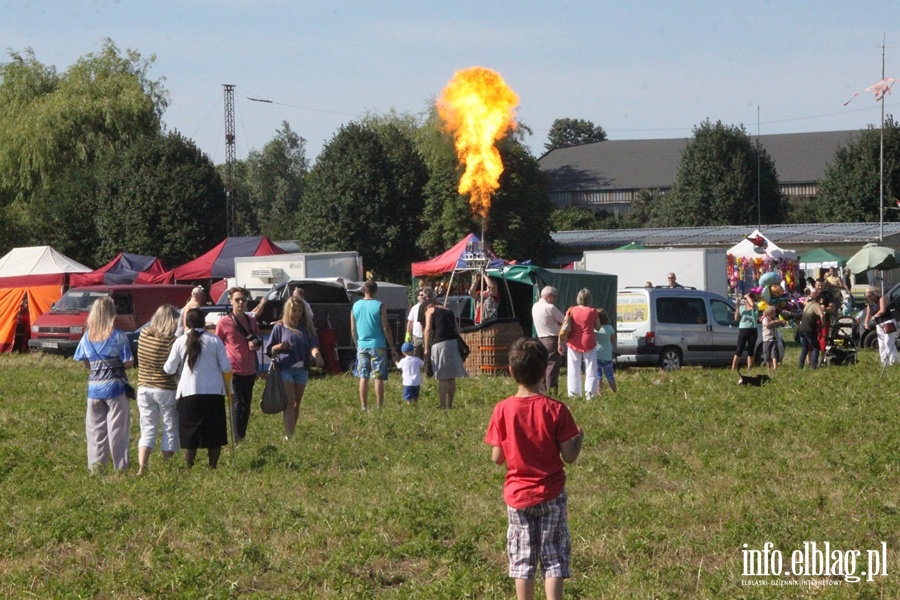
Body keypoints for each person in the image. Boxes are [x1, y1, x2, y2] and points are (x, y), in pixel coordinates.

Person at [484, 337, 585, 600]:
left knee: (522, 559)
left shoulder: (502, 409)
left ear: (511, 371)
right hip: (551, 494)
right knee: (553, 558)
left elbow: (497, 458)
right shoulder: (557, 410)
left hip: (518, 497)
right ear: (544, 372)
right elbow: (570, 456)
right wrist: (579, 439)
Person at [164, 308, 232, 469]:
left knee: (189, 431)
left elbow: (169, 368)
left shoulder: (180, 341)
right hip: (213, 392)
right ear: (204, 322)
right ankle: (212, 466)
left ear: (187, 322)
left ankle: (189, 466)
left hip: (188, 392)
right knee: (214, 432)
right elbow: (226, 367)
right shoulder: (214, 341)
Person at [73, 297, 134, 473]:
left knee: (95, 432)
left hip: (94, 390)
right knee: (117, 431)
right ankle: (120, 468)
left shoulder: (87, 337)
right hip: (115, 389)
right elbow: (128, 361)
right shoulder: (117, 335)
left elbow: (85, 363)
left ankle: (96, 469)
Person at [265, 297, 324, 440]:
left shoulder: (307, 328)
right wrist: (280, 346)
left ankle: (291, 432)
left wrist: (317, 355)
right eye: (294, 311)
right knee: (290, 401)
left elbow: (313, 346)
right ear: (288, 311)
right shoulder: (280, 327)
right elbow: (270, 349)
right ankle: (289, 436)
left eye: (299, 311)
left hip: (302, 369)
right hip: (285, 367)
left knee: (297, 402)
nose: (297, 314)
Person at [136, 304, 180, 475]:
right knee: (169, 426)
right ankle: (168, 465)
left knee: (147, 428)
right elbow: (173, 366)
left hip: (144, 386)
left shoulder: (143, 334)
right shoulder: (171, 340)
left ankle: (142, 466)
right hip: (165, 387)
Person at [216, 287, 262, 442]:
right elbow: (217, 344)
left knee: (246, 405)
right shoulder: (224, 322)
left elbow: (257, 338)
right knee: (236, 403)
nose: (240, 303)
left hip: (249, 368)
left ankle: (242, 435)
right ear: (231, 301)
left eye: (243, 300)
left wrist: (255, 344)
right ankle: (237, 438)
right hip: (232, 369)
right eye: (237, 300)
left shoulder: (251, 321)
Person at [350, 280, 399, 411]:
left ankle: (363, 406)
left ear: (364, 290)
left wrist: (357, 344)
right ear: (375, 291)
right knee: (378, 377)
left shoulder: (355, 306)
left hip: (362, 345)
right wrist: (392, 347)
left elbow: (353, 330)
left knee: (363, 376)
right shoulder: (379, 305)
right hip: (378, 345)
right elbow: (385, 327)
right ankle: (379, 406)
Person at [423, 299, 468, 408]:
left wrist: (426, 348)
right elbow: (457, 329)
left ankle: (442, 404)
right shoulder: (449, 311)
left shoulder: (430, 310)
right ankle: (450, 404)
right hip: (453, 343)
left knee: (442, 377)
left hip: (439, 344)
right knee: (451, 377)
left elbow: (428, 329)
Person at [558, 288, 601, 399]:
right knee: (591, 368)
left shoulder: (571, 310)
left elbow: (564, 326)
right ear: (589, 299)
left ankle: (573, 395)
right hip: (589, 341)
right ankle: (590, 395)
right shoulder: (592, 311)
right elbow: (598, 327)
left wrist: (560, 342)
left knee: (573, 369)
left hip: (573, 341)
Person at [531, 286, 565, 395]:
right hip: (552, 339)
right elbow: (565, 321)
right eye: (554, 297)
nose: (555, 299)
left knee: (543, 367)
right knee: (552, 367)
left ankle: (542, 391)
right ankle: (552, 393)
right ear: (549, 296)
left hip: (540, 339)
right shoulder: (550, 307)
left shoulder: (535, 306)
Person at [864, 286, 898, 367]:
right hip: (879, 325)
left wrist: (875, 316)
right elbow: (868, 315)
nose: (868, 298)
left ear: (874, 294)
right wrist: (866, 323)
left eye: (869, 296)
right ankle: (884, 363)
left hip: (888, 322)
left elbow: (882, 310)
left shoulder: (881, 299)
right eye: (867, 296)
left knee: (888, 342)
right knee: (881, 344)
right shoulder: (870, 304)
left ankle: (894, 362)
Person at [797, 290, 825, 370]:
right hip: (809, 329)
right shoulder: (816, 305)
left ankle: (800, 366)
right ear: (820, 299)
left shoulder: (808, 304)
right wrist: (823, 324)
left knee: (804, 349)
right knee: (816, 347)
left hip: (801, 329)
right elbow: (822, 316)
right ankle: (814, 366)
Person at [731, 292, 759, 371]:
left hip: (752, 330)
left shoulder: (755, 307)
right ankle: (733, 368)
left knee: (751, 351)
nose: (746, 301)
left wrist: (747, 296)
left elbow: (752, 305)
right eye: (746, 299)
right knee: (739, 349)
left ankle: (749, 368)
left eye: (748, 299)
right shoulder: (742, 308)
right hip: (743, 330)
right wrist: (737, 307)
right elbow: (736, 318)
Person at [594, 308, 617, 393]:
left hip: (597, 354)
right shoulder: (610, 328)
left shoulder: (594, 329)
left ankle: (600, 393)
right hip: (607, 355)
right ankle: (614, 392)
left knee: (598, 376)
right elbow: (613, 340)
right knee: (610, 376)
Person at [407, 286, 433, 360]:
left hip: (427, 335)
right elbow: (410, 321)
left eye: (423, 295)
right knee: (415, 354)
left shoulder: (429, 307)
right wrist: (408, 333)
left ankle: (427, 368)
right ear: (418, 297)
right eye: (420, 295)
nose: (422, 297)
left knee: (428, 354)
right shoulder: (414, 308)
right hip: (417, 335)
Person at [760, 305, 784, 371]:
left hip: (774, 338)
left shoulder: (773, 319)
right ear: (770, 313)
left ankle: (775, 367)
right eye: (774, 312)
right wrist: (773, 322)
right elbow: (767, 326)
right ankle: (768, 367)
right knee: (767, 354)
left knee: (774, 353)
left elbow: (777, 325)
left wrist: (780, 322)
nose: (775, 314)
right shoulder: (765, 319)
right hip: (767, 339)